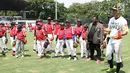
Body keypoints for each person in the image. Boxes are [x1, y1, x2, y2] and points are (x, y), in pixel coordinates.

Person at [104, 5, 128, 73]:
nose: (113, 11)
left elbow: (126, 31)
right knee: (108, 55)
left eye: (114, 10)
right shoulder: (111, 19)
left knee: (118, 57)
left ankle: (117, 71)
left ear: (118, 11)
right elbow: (109, 29)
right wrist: (104, 29)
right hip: (111, 39)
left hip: (118, 41)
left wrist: (120, 34)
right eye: (113, 10)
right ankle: (111, 67)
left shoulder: (123, 20)